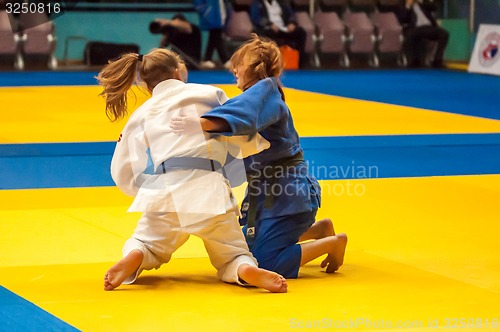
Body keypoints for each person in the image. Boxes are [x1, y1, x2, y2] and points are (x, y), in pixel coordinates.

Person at [96, 48, 288, 293]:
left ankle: (137, 254)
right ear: (177, 71)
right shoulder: (209, 93)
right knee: (232, 253)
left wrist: (146, 188)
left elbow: (123, 169)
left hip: (165, 190)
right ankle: (244, 269)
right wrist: (255, 146)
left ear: (145, 85)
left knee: (146, 242)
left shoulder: (142, 113)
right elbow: (236, 127)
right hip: (210, 190)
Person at [170, 35, 347, 279]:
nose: (234, 70)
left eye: (239, 64)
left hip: (288, 198)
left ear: (256, 67)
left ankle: (333, 243)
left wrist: (200, 123)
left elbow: (242, 116)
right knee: (244, 249)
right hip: (274, 194)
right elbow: (236, 126)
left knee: (265, 262)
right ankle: (319, 230)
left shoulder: (264, 91)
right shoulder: (263, 95)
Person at [250, 0, 307, 68]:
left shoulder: (282, 2)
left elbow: (291, 15)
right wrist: (269, 24)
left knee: (301, 32)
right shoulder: (257, 3)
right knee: (268, 34)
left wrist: (291, 23)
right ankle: (271, 64)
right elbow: (256, 18)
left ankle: (299, 62)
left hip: (284, 28)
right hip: (269, 29)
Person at [397, 0, 449, 68]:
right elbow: (402, 19)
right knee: (410, 35)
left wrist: (421, 1)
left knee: (444, 34)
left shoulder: (423, 4)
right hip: (415, 28)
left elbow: (434, 7)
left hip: (429, 27)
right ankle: (413, 61)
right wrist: (408, 6)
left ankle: (437, 60)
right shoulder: (403, 6)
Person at [193, 0, 231, 69]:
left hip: (219, 13)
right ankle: (224, 60)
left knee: (214, 37)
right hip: (213, 15)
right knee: (216, 36)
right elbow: (198, 4)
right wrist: (207, 11)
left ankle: (207, 58)